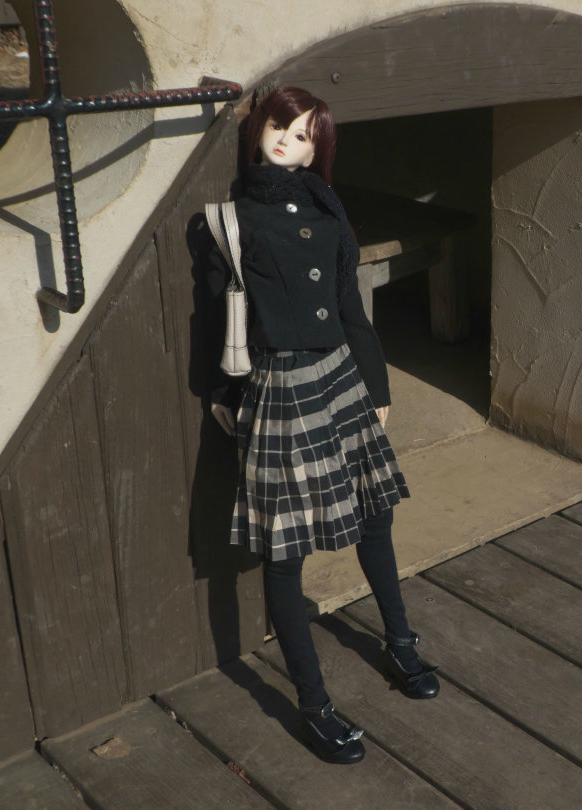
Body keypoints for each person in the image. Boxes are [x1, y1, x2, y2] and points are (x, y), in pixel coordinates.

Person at [205, 85, 439, 766]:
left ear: (317, 151)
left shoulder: (328, 213)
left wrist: (377, 385)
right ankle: (314, 705)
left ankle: (400, 644)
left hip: (341, 376)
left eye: (304, 134)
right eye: (280, 125)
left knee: (375, 515)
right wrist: (223, 391)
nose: (288, 139)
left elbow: (349, 306)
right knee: (286, 552)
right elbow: (216, 316)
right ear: (258, 128)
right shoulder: (230, 221)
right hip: (280, 386)